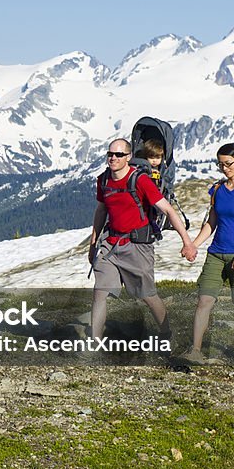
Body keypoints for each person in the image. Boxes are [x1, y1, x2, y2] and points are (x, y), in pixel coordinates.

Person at [89, 139, 197, 342]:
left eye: (119, 155)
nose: (113, 158)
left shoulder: (140, 180)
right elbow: (101, 210)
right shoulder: (103, 180)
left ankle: (166, 334)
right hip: (110, 244)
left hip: (137, 247)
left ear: (128, 157)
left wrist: (187, 242)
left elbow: (167, 209)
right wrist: (94, 244)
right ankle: (94, 344)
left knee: (147, 295)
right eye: (110, 154)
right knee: (100, 292)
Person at [180, 143, 234, 365]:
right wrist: (194, 245)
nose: (224, 168)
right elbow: (211, 222)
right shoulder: (217, 190)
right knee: (203, 301)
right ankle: (196, 350)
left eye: (228, 164)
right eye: (220, 164)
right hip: (216, 254)